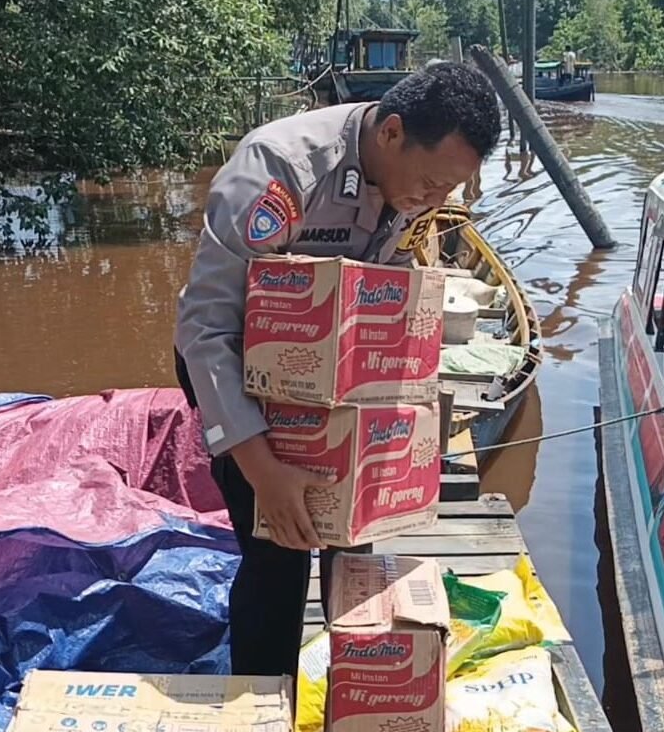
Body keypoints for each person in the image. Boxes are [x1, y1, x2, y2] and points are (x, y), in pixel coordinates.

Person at [173, 63, 501, 678]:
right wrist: (264, 469)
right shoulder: (278, 171)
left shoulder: (409, 182)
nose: (435, 203)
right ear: (393, 133)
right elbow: (206, 331)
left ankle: (356, 713)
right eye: (431, 185)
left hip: (341, 368)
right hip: (242, 367)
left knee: (354, 542)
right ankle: (262, 725)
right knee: (278, 557)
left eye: (447, 193)